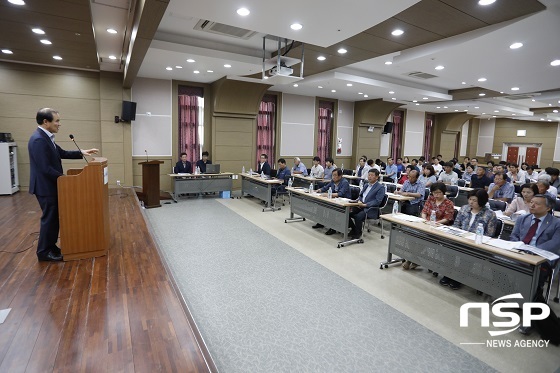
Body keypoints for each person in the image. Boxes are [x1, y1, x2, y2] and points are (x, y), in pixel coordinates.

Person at [28, 108, 99, 262]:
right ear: (46, 122)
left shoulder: (46, 137)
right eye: (57, 121)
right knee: (49, 219)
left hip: (52, 185)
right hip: (45, 187)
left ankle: (51, 247)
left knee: (54, 219)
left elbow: (61, 152)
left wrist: (82, 152)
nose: (59, 124)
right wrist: (66, 180)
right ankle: (43, 252)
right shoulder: (38, 139)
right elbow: (45, 168)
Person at [441, 189, 497, 289]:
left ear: (482, 201)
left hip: (475, 243)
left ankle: (459, 277)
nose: (471, 202)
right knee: (448, 248)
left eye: (474, 200)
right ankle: (448, 273)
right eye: (470, 199)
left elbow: (490, 234)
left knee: (467, 254)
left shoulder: (490, 214)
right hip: (460, 239)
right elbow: (456, 224)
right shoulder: (464, 208)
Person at [403, 183, 455, 270]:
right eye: (434, 193)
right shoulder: (430, 199)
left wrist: (436, 223)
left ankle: (411, 259)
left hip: (439, 228)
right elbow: (424, 212)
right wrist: (425, 220)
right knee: (410, 233)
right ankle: (414, 259)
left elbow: (447, 219)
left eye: (439, 193)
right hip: (426, 224)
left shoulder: (449, 203)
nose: (436, 195)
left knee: (423, 237)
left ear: (444, 192)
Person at [348, 169, 386, 239]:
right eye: (369, 175)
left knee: (358, 217)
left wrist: (366, 205)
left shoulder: (380, 188)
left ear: (377, 177)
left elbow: (377, 201)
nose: (369, 177)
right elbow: (361, 196)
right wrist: (356, 201)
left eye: (372, 175)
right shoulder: (366, 185)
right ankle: (354, 229)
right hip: (361, 205)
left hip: (370, 209)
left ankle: (358, 234)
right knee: (347, 213)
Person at [312, 169, 351, 234]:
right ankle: (320, 222)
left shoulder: (345, 182)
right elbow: (325, 187)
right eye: (332, 175)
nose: (333, 177)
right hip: (335, 200)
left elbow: (340, 194)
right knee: (320, 205)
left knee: (331, 208)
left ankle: (333, 228)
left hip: (344, 203)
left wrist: (327, 195)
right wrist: (318, 190)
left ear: (340, 176)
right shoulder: (333, 181)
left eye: (335, 175)